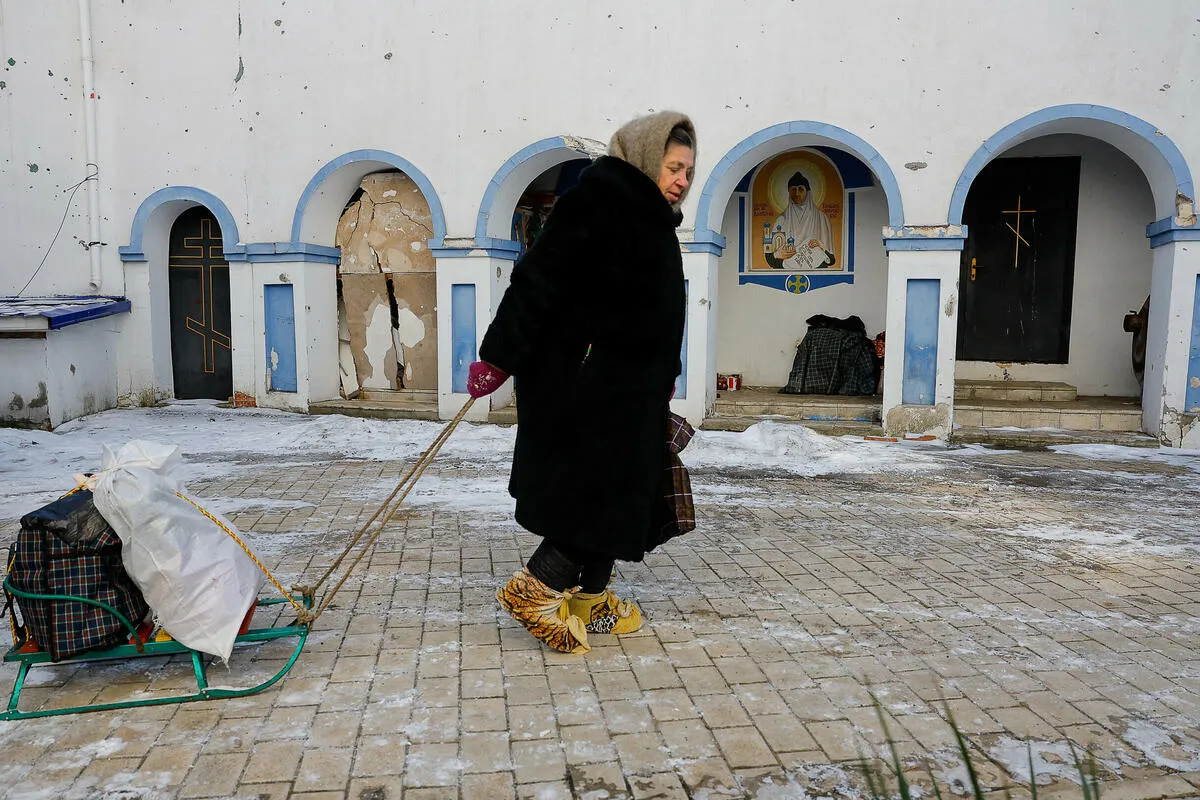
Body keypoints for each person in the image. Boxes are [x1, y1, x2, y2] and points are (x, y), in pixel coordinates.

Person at [465, 111, 696, 654]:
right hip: (587, 385)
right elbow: (537, 281)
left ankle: (589, 600)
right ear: (644, 158)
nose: (683, 178)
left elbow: (654, 313)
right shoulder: (597, 204)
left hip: (629, 385)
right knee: (601, 492)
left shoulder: (650, 217)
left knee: (627, 490)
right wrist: (499, 357)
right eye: (674, 166)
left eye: (688, 168)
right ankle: (538, 588)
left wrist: (664, 375)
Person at [764, 171, 836, 270]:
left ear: (808, 192)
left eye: (801, 189)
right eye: (793, 189)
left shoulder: (822, 219)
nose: (797, 193)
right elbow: (770, 260)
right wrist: (776, 255)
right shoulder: (781, 220)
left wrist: (822, 247)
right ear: (788, 192)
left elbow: (831, 261)